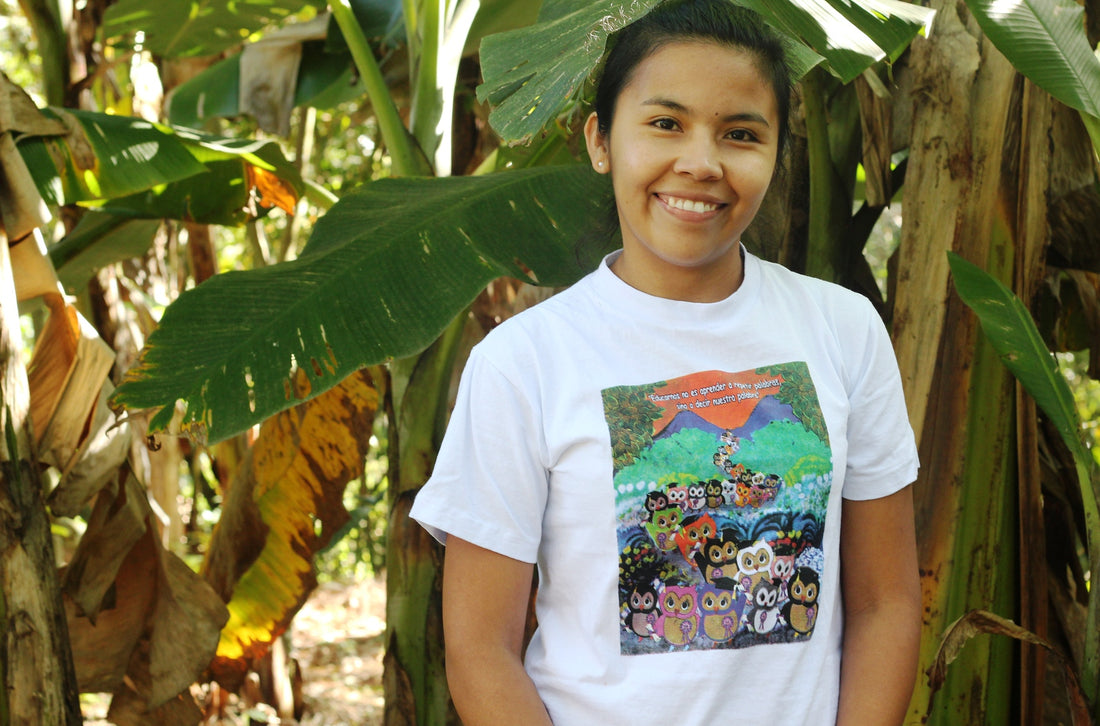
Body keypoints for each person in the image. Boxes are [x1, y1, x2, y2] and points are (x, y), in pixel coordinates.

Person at [409, 1, 922, 723]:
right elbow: (479, 648)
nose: (701, 163)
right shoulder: (522, 364)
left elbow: (886, 603)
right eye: (664, 123)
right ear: (599, 140)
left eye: (741, 134)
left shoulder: (842, 331)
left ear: (776, 152)